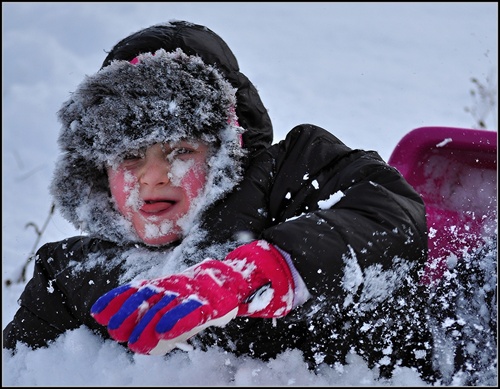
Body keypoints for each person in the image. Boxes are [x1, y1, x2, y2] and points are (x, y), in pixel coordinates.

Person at [3, 20, 435, 382]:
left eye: (180, 151)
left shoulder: (291, 177)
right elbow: (21, 370)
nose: (153, 177)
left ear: (227, 149)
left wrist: (270, 267)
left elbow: (390, 216)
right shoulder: (72, 273)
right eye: (130, 157)